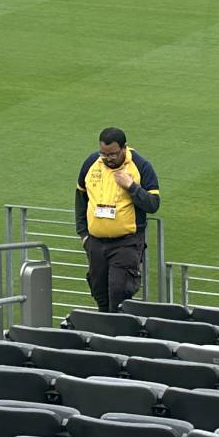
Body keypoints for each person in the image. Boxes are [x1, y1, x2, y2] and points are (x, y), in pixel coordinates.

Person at [74, 127, 159, 312]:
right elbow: (80, 197)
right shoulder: (91, 163)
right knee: (99, 293)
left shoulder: (141, 166)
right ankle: (105, 336)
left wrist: (132, 187)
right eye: (103, 154)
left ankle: (118, 337)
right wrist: (83, 234)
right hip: (95, 243)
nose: (108, 159)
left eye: (112, 154)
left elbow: (153, 204)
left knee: (119, 293)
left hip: (126, 243)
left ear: (124, 148)